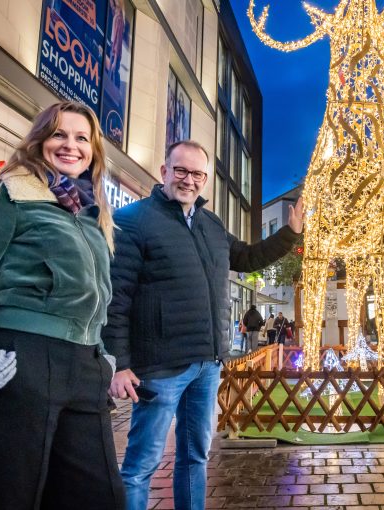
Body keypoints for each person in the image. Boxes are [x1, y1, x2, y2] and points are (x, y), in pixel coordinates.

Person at [0, 101, 124, 509]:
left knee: (100, 498)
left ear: (94, 151)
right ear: (39, 140)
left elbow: (94, 299)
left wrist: (101, 354)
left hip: (85, 371)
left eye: (82, 138)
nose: (71, 145)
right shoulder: (5, 196)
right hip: (22, 365)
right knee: (4, 497)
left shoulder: (91, 214)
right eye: (59, 135)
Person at [103, 140, 303, 510]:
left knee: (195, 457)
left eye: (197, 173)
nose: (188, 180)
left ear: (206, 179)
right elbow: (117, 299)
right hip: (160, 366)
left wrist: (289, 233)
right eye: (180, 170)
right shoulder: (133, 221)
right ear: (164, 172)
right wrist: (120, 363)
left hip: (207, 364)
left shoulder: (210, 223)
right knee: (140, 466)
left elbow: (246, 257)